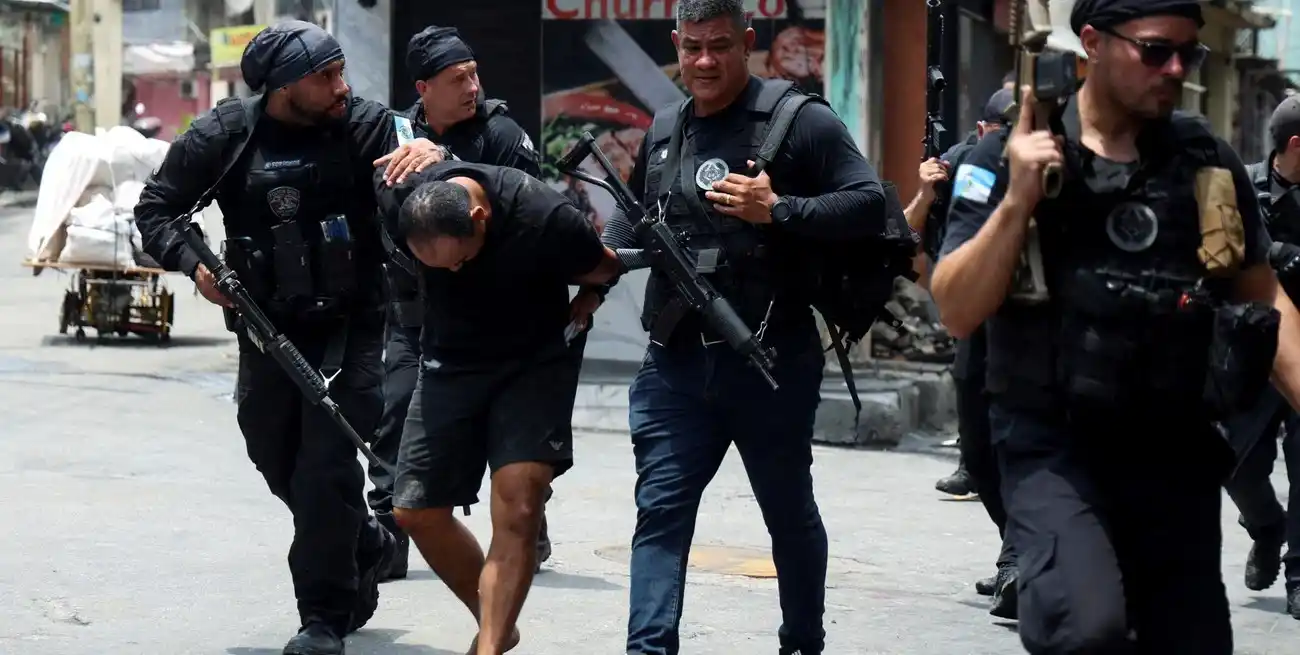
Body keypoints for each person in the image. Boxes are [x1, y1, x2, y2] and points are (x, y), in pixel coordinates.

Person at [931, 1, 1300, 651]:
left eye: (1191, 54)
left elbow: (1263, 292)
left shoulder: (1204, 161)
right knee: (1087, 625)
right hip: (1054, 448)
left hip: (1175, 451)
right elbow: (955, 306)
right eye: (1156, 51)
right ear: (1094, 43)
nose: (1177, 68)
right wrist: (1019, 197)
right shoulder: (1006, 152)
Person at [134, 21, 443, 655]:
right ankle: (364, 538)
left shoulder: (365, 124)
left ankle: (323, 619)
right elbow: (156, 209)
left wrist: (433, 156)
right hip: (266, 326)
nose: (342, 87)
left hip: (351, 323)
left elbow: (423, 159)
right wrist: (196, 267)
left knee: (323, 468)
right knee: (270, 450)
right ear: (281, 87)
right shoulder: (226, 133)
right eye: (325, 78)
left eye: (341, 73)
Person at [591, 1, 889, 652]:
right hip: (674, 364)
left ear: (748, 42)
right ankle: (649, 647)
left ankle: (801, 640)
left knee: (787, 512)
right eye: (691, 46)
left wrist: (777, 207)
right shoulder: (667, 125)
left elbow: (870, 202)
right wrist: (596, 259)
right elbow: (633, 221)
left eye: (719, 46)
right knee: (661, 514)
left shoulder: (798, 119)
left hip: (771, 358)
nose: (702, 60)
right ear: (674, 43)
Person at [374, 161, 621, 654]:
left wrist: (592, 294)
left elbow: (606, 265)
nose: (455, 272)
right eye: (439, 267)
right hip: (450, 361)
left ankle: (488, 647)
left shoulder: (546, 217)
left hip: (531, 364)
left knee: (518, 501)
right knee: (415, 511)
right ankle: (497, 625)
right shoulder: (405, 204)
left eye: (461, 261)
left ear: (481, 216)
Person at [369, 24, 550, 583]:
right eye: (457, 79)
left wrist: (444, 160)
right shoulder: (392, 135)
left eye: (474, 74)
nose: (472, 86)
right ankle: (386, 542)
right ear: (424, 88)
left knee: (501, 431)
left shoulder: (500, 134)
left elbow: (534, 209)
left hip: (486, 314)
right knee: (394, 415)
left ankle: (527, 529)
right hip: (413, 310)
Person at [904, 87, 1020, 619]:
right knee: (977, 454)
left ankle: (1021, 560)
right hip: (978, 322)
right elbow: (907, 244)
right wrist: (927, 194)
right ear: (981, 131)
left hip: (1041, 326)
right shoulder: (959, 167)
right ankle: (1013, 551)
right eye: (1002, 130)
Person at [1222, 95, 1300, 618]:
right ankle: (1267, 527)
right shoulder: (1240, 187)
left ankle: (1299, 573)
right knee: (1235, 464)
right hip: (1250, 351)